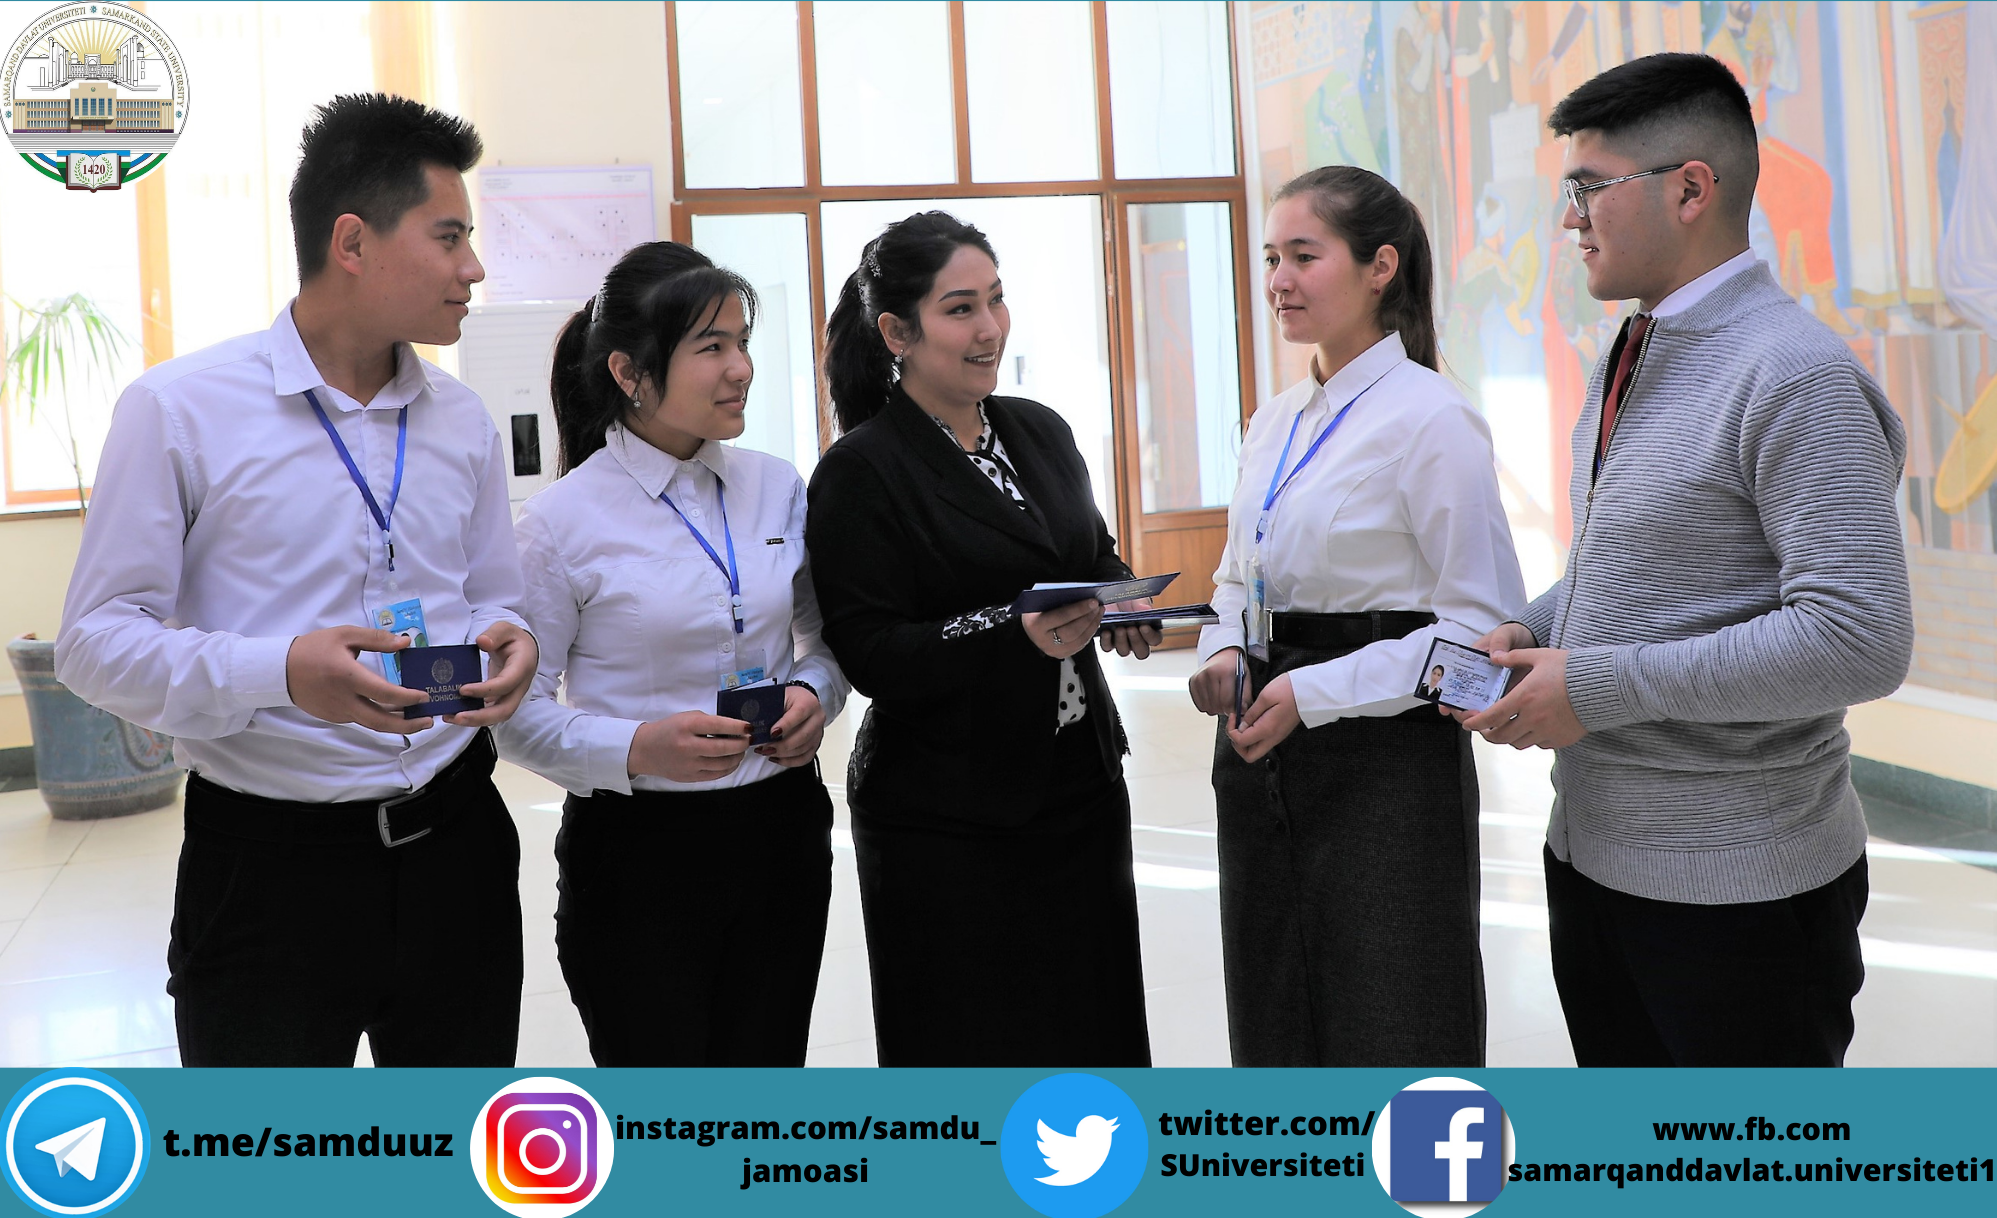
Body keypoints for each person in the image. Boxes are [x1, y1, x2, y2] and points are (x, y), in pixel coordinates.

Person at [55, 94, 537, 1067]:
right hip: (269, 870)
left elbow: (494, 592)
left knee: (455, 1142)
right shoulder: (180, 412)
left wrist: (512, 637)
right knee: (267, 1146)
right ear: (351, 241)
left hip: (457, 847)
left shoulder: (461, 418)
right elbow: (94, 644)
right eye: (449, 237)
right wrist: (280, 673)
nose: (473, 268)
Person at [1454, 53, 1911, 1066]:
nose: (1567, 219)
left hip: (1737, 894)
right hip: (1596, 859)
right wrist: (1533, 626)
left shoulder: (1793, 375)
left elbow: (1858, 639)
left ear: (1689, 190)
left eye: (1587, 188)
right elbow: (1633, 562)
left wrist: (1594, 685)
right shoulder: (1631, 349)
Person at [1187, 166, 1527, 1067]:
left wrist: (1313, 693)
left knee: (1392, 1018)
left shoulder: (1432, 418)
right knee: (1273, 1016)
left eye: (1304, 256)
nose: (1278, 280)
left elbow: (1477, 641)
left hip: (1384, 762)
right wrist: (1223, 648)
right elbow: (1236, 577)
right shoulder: (1275, 421)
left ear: (1380, 267)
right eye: (1271, 258)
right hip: (1259, 742)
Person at [806, 211, 1157, 1066]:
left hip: (1080, 786)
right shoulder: (861, 470)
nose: (989, 327)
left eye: (995, 300)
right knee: (972, 1051)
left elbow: (1086, 549)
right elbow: (873, 652)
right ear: (897, 333)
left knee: (1094, 1033)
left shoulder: (1039, 430)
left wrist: (1121, 598)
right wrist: (1015, 631)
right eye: (959, 309)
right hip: (947, 815)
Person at [493, 242, 848, 1066]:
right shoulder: (560, 522)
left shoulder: (775, 486)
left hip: (781, 833)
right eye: (710, 347)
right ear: (629, 371)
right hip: (638, 853)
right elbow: (515, 714)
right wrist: (635, 747)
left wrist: (813, 697)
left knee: (766, 1084)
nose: (740, 369)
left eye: (742, 342)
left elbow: (820, 642)